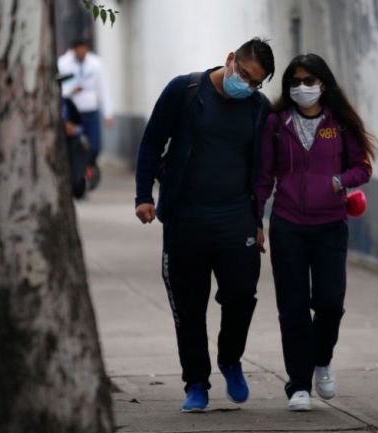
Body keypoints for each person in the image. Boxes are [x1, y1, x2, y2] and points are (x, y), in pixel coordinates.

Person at [134, 38, 275, 412]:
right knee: (189, 306)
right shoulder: (186, 90)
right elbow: (151, 142)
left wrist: (258, 217)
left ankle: (230, 359)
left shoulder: (258, 109)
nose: (245, 85)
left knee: (242, 295)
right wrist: (143, 196)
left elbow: (262, 169)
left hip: (235, 219)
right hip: (186, 220)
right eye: (243, 75)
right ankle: (195, 381)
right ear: (230, 59)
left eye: (255, 82)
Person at [254, 54, 376, 411]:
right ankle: (299, 385)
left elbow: (362, 167)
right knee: (292, 309)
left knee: (329, 304)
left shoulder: (338, 124)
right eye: (296, 81)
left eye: (310, 80)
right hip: (288, 224)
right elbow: (263, 177)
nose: (302, 87)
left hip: (330, 226)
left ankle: (322, 359)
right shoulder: (276, 123)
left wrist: (340, 180)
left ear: (323, 83)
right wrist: (255, 221)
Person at [58, 38, 113, 186]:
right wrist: (70, 91)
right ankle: (77, 175)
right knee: (75, 144)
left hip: (91, 109)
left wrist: (107, 113)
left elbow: (103, 88)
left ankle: (89, 169)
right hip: (73, 110)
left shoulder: (96, 64)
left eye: (84, 49)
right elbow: (58, 87)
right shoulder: (63, 64)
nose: (82, 52)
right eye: (79, 49)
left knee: (94, 145)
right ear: (73, 50)